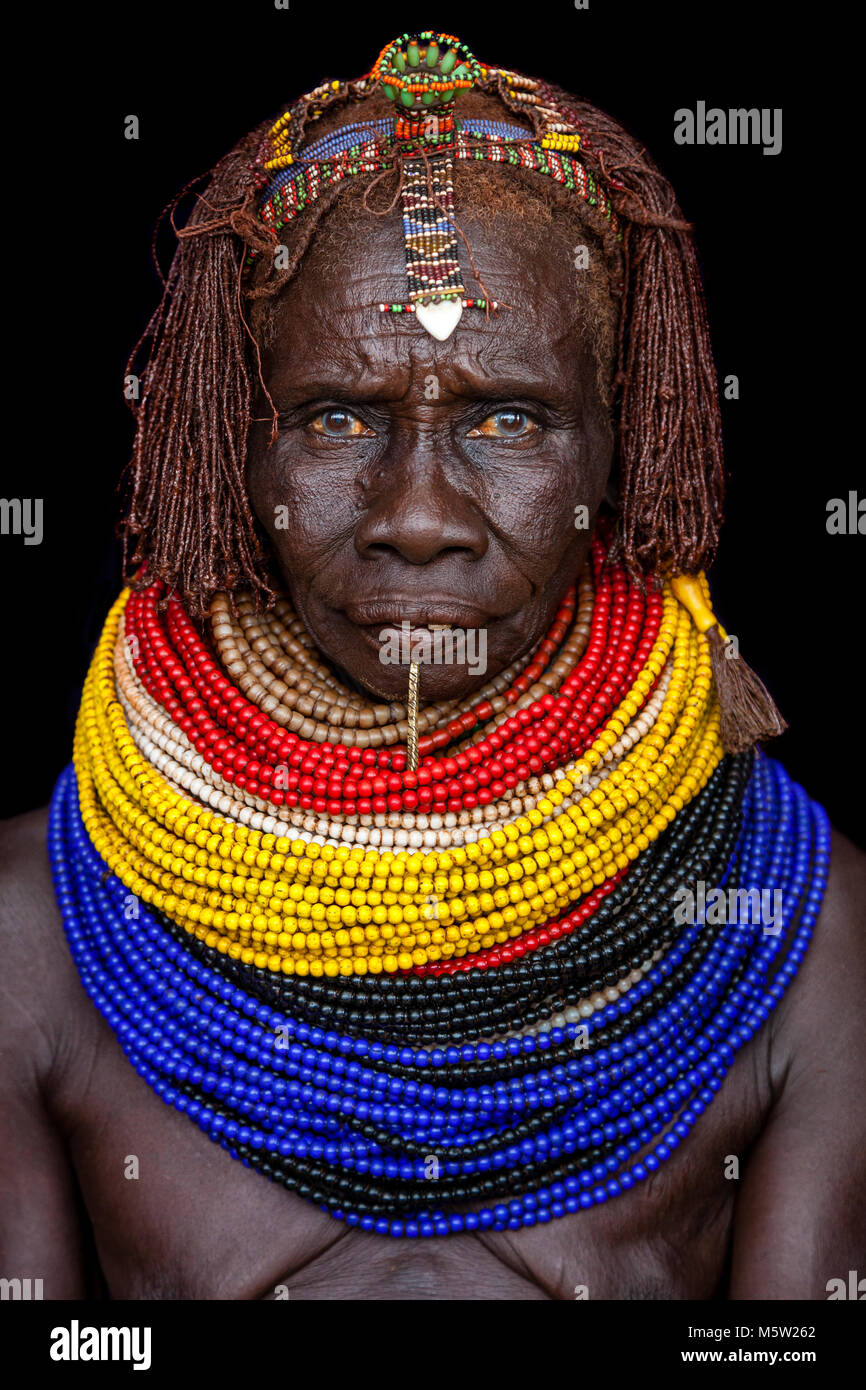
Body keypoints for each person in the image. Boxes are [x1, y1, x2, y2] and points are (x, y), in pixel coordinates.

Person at [2, 30, 864, 1301]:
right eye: (334, 415)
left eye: (507, 417)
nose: (416, 513)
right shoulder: (35, 925)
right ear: (229, 449)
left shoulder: (794, 923)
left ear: (620, 452)